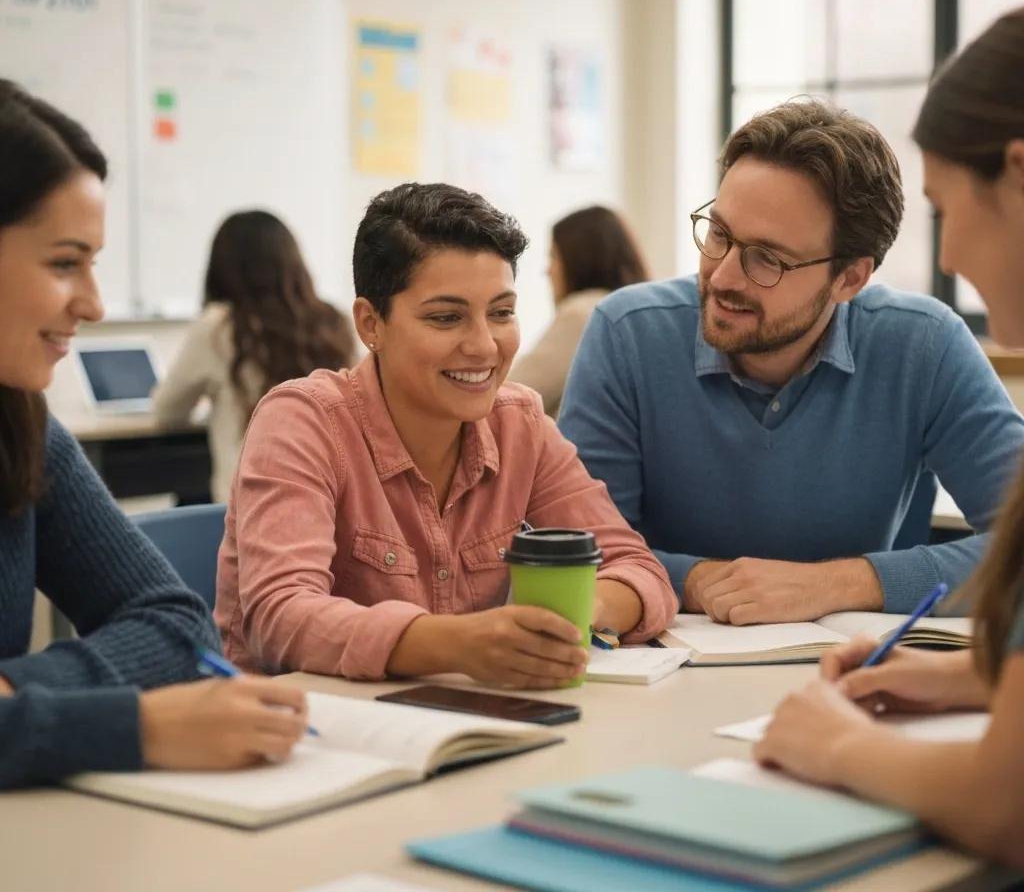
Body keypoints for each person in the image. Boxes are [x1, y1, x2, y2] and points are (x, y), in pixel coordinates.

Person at [559, 98, 1024, 621]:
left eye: (768, 259)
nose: (724, 276)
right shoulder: (627, 334)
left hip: (856, 676)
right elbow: (578, 551)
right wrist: (699, 580)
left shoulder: (924, 345)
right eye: (719, 234)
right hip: (665, 672)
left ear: (849, 278)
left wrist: (835, 584)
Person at [214, 182, 676, 687]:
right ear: (372, 324)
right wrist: (459, 644)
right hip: (307, 732)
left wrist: (577, 609)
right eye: (446, 317)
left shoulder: (519, 423)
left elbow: (639, 569)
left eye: (501, 313)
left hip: (470, 717)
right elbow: (280, 616)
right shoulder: (302, 422)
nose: (483, 346)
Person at [755, 8, 1024, 866]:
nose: (956, 260)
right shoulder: (629, 330)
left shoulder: (922, 340)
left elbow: (1004, 807)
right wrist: (967, 676)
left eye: (945, 212)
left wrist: (833, 743)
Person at [0, 79, 307, 788]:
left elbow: (175, 626)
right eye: (64, 262)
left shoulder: (24, 428)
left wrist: (15, 696)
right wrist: (131, 725)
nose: (95, 304)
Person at [152, 209, 355, 502]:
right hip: (334, 503)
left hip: (249, 513)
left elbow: (167, 412)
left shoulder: (218, 327)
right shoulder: (335, 322)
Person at [508, 205, 649, 416]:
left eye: (553, 257)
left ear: (579, 258)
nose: (547, 270)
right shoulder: (639, 309)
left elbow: (511, 395)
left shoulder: (584, 314)